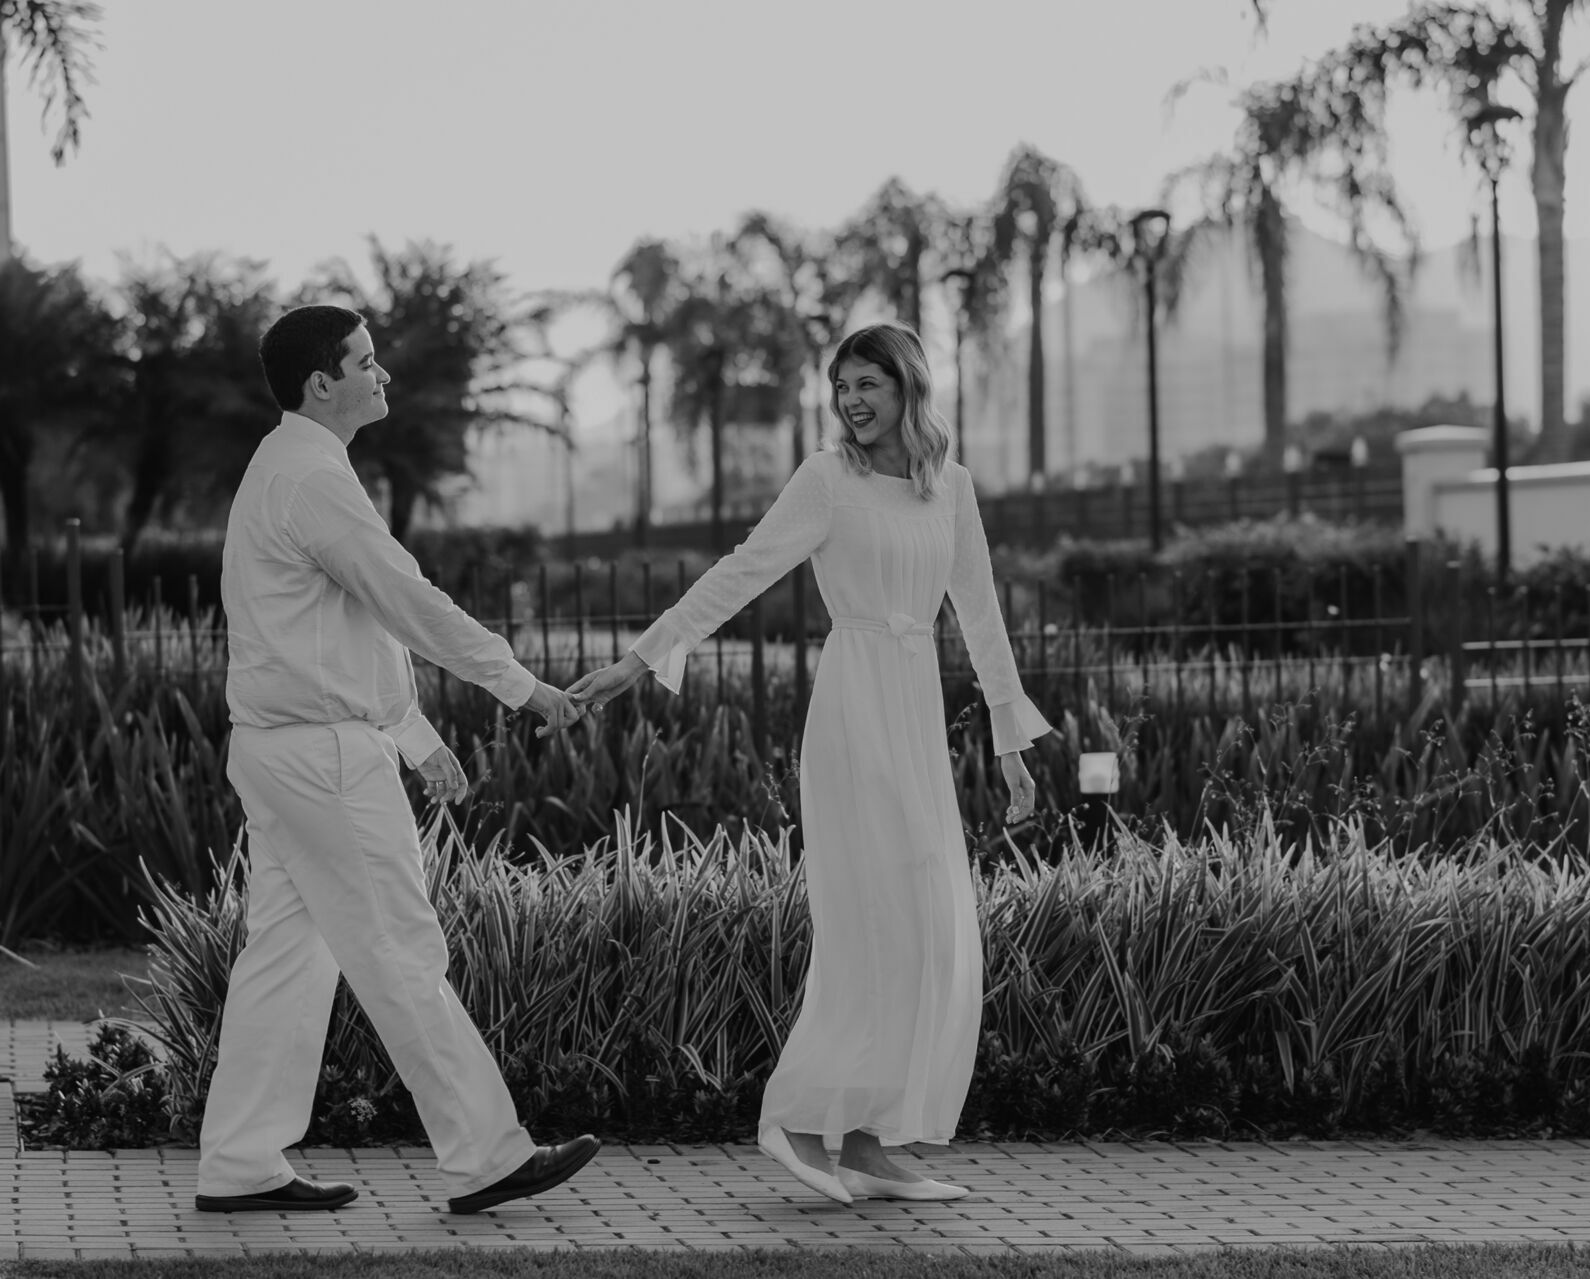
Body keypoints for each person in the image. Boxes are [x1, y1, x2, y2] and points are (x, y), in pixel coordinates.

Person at [569, 322, 1048, 1205]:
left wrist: (1010, 743)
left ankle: (866, 1142)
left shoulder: (951, 488)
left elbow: (981, 616)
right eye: (842, 386)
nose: (852, 401)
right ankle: (793, 1116)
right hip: (854, 705)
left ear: (909, 386)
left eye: (868, 383)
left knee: (926, 925)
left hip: (915, 708)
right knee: (871, 921)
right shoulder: (828, 479)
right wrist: (639, 661)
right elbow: (741, 570)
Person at [196, 304, 599, 1216]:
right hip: (322, 760)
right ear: (321, 383)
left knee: (286, 958)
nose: (383, 376)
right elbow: (406, 601)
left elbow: (347, 622)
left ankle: (240, 1162)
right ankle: (486, 1156)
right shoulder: (311, 477)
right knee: (399, 947)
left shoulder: (287, 465)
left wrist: (415, 738)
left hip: (281, 750)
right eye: (366, 362)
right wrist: (523, 687)